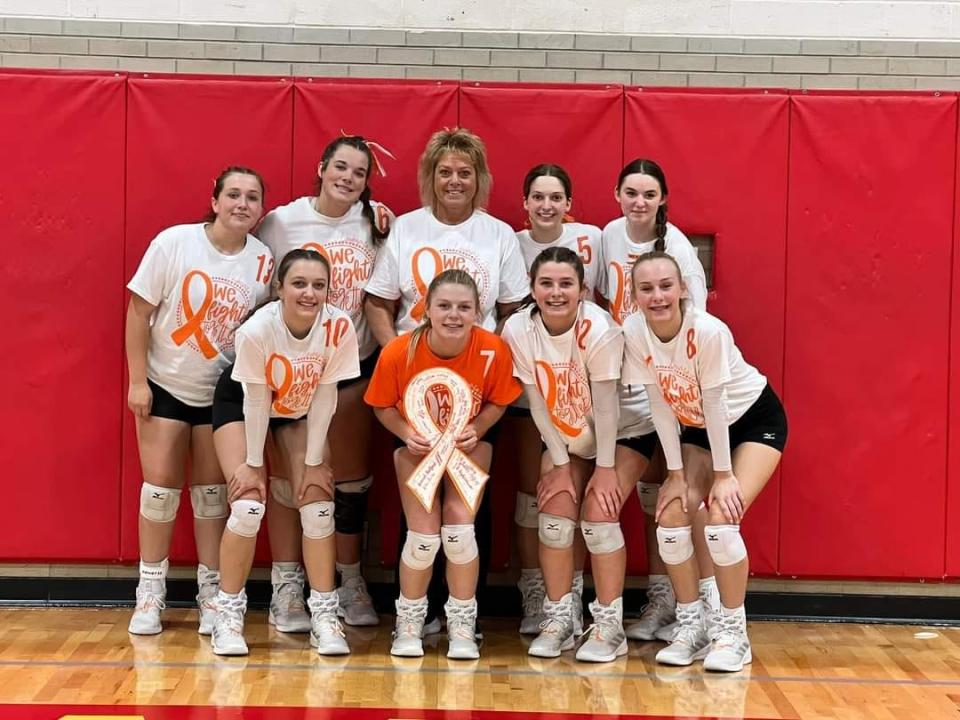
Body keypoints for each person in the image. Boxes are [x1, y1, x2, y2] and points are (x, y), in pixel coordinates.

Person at [364, 127, 528, 630]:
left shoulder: (497, 234)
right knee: (419, 493)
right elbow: (377, 301)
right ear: (429, 178)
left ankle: (464, 612)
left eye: (465, 172)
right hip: (416, 386)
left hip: (476, 386)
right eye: (445, 172)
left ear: (479, 179)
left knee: (466, 501)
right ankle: (415, 611)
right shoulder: (407, 229)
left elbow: (513, 308)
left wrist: (490, 364)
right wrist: (400, 353)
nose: (454, 181)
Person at [622, 251, 787, 672]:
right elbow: (660, 402)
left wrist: (724, 475)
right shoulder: (635, 330)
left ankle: (733, 633)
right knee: (672, 517)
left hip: (751, 421)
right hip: (695, 426)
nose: (657, 296)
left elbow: (714, 402)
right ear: (634, 294)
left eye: (665, 286)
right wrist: (675, 475)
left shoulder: (708, 331)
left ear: (681, 289)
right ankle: (691, 622)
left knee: (720, 520)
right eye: (646, 288)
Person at [125, 166, 272, 636]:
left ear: (261, 208)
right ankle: (150, 593)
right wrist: (137, 382)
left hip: (222, 394)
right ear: (214, 200)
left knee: (212, 499)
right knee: (160, 494)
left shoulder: (263, 259)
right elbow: (138, 311)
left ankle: (211, 593)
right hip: (165, 384)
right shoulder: (174, 243)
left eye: (252, 197)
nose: (241, 204)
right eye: (233, 194)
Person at [257, 135, 393, 630]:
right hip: (290, 373)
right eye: (340, 167)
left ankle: (349, 578)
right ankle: (287, 587)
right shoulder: (282, 222)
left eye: (359, 172)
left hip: (352, 367)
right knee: (290, 483)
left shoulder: (375, 222)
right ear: (321, 167)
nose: (348, 178)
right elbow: (261, 291)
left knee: (350, 483)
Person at [503, 247, 657, 662]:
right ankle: (560, 619)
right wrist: (558, 461)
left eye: (565, 283)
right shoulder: (518, 329)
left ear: (582, 289)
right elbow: (536, 401)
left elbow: (607, 407)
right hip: (570, 432)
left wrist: (604, 470)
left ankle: (609, 628)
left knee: (598, 516)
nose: (555, 292)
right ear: (532, 288)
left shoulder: (598, 329)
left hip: (625, 431)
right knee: (553, 513)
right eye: (546, 283)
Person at [209, 248, 361, 656]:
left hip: (300, 407)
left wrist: (313, 463)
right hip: (243, 405)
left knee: (317, 503)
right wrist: (254, 465)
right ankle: (227, 614)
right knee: (248, 505)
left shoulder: (339, 326)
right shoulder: (257, 330)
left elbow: (326, 394)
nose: (309, 293)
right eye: (298, 283)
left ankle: (325, 616)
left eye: (318, 285)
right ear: (279, 288)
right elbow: (257, 402)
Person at [365, 269, 521, 659]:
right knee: (422, 539)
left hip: (469, 448)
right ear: (426, 310)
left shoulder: (493, 350)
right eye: (445, 306)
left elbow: (500, 400)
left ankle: (462, 626)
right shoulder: (400, 351)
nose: (454, 315)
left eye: (464, 307)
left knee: (459, 534)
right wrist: (405, 432)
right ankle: (409, 624)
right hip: (418, 451)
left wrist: (479, 425)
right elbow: (382, 405)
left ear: (478, 311)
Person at [597, 158, 712, 644]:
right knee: (649, 493)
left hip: (668, 383)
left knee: (674, 495)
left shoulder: (678, 247)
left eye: (648, 194)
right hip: (625, 379)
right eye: (631, 193)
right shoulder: (607, 235)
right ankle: (661, 596)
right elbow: (604, 300)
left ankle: (694, 604)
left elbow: (695, 323)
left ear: (662, 199)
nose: (639, 202)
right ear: (617, 195)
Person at [511, 164, 603, 635]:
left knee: (585, 499)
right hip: (534, 392)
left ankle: (575, 597)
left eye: (556, 196)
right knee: (537, 496)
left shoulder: (594, 239)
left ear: (570, 203)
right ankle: (539, 592)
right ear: (524, 202)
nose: (546, 204)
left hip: (585, 394)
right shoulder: (511, 242)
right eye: (537, 196)